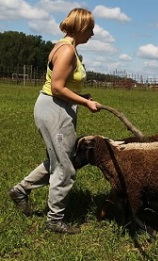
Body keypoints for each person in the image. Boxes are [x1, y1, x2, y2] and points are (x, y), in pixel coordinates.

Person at [8, 8, 100, 234]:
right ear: (81, 28)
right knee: (65, 167)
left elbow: (63, 84)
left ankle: (21, 190)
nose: (92, 34)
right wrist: (86, 103)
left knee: (57, 160)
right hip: (55, 110)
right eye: (90, 29)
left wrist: (81, 97)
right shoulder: (67, 51)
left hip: (55, 107)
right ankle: (54, 220)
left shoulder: (63, 46)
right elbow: (58, 87)